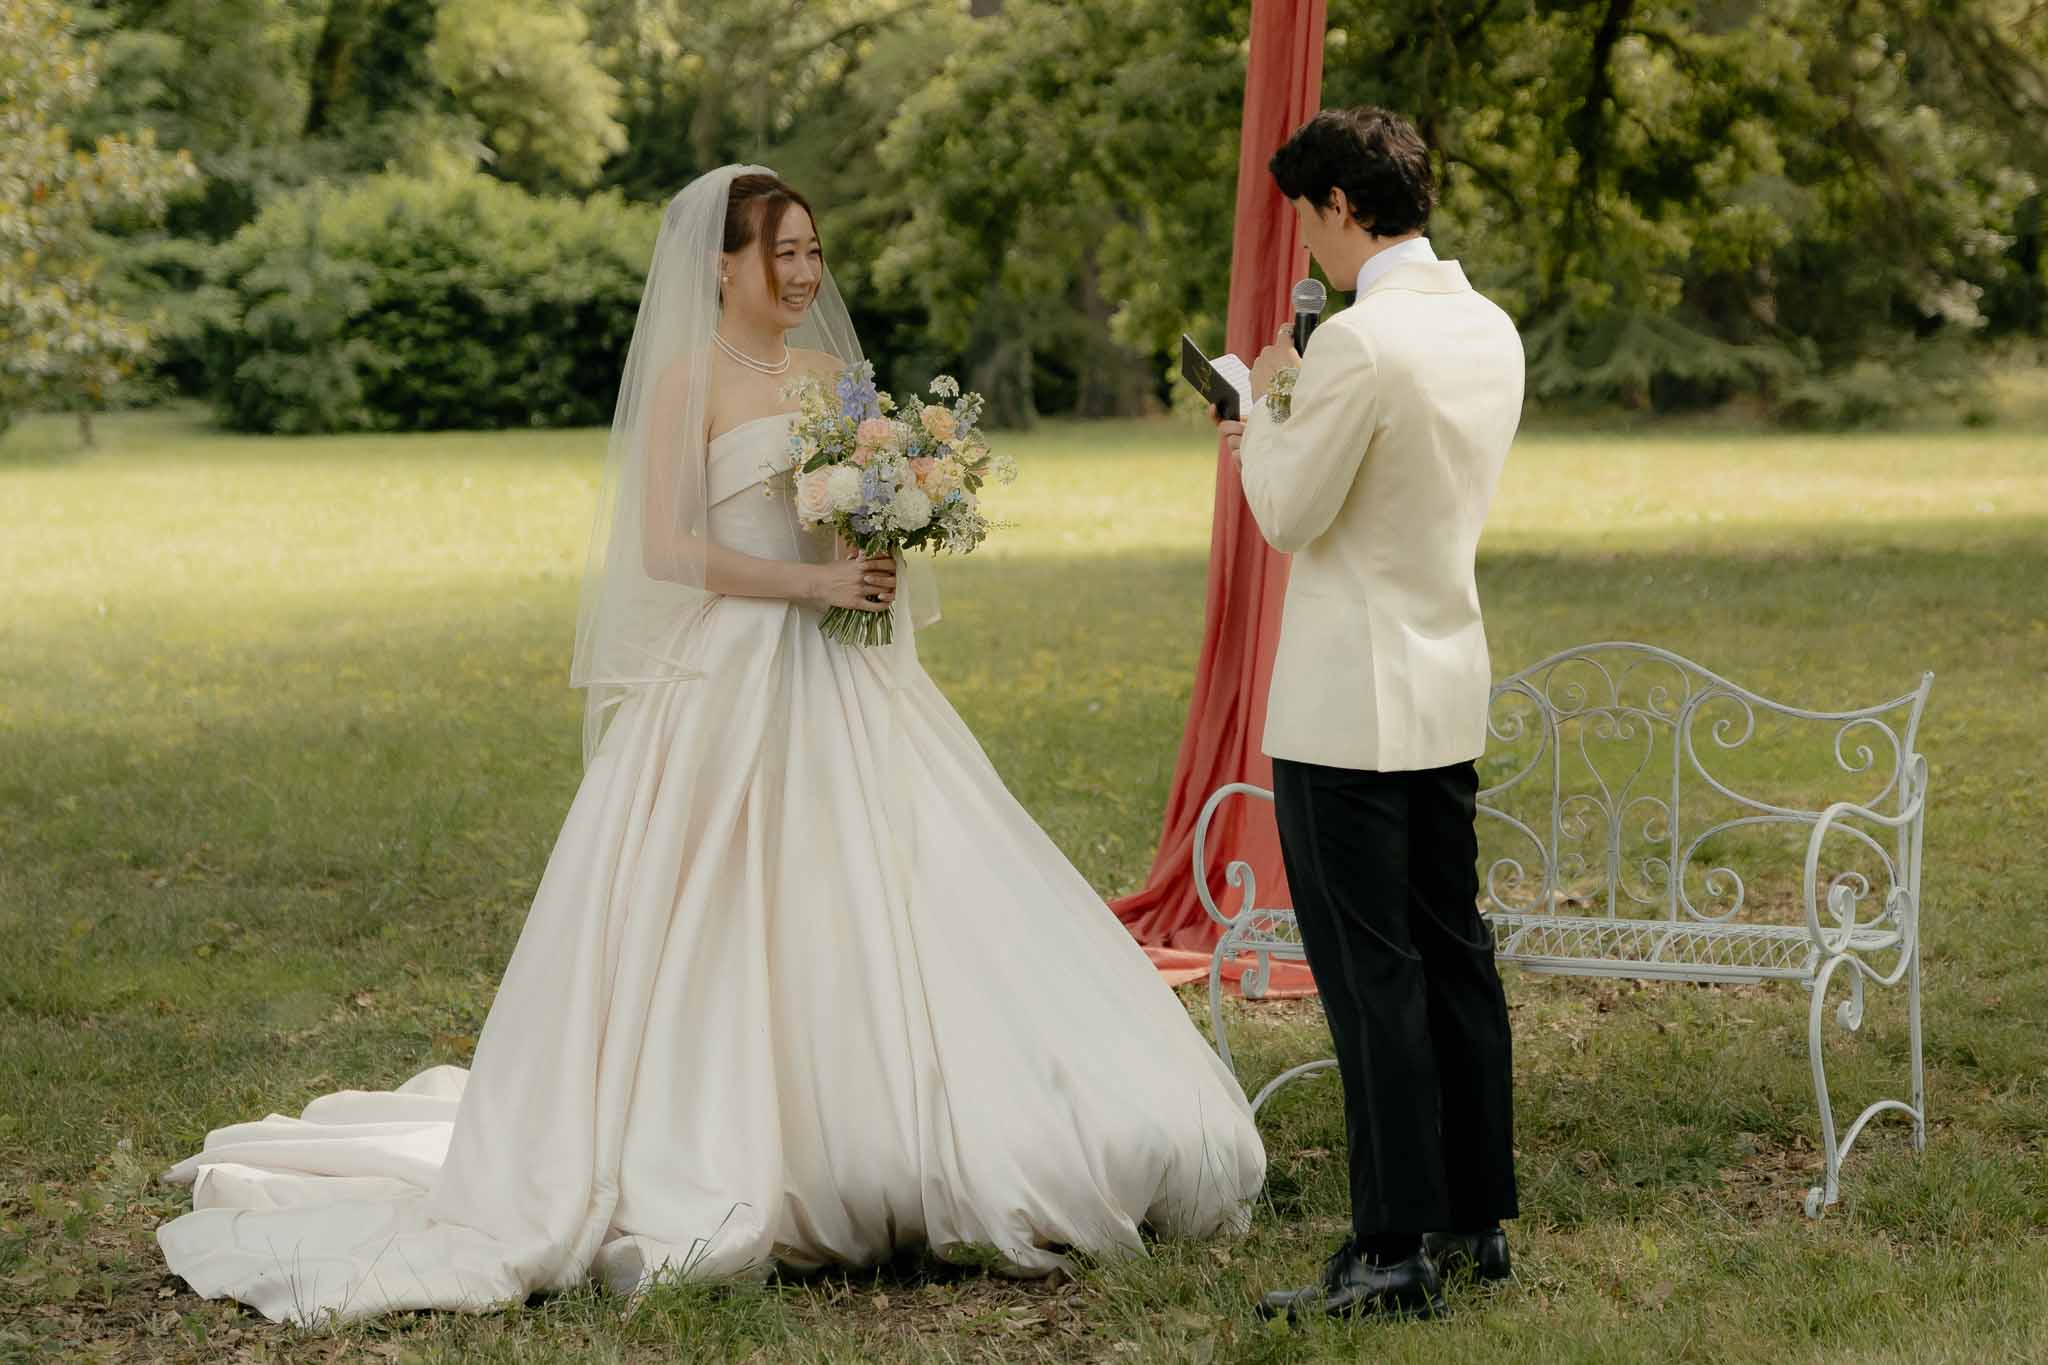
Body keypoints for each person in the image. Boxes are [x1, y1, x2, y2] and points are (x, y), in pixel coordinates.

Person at [154, 165, 1265, 1326]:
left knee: (892, 882)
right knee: (710, 908)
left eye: (811, 252)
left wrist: (883, 535)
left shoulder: (835, 379)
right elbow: (669, 549)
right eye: (778, 253)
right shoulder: (689, 382)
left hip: (836, 677)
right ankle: (718, 1135)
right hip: (727, 671)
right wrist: (810, 578)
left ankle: (908, 1115)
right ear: (723, 266)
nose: (800, 273)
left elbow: (841, 525)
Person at [1212, 108, 1526, 1321]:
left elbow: (1289, 513)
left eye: (1306, 217)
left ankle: (1390, 1247)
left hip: (1347, 705)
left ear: (1341, 205)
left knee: (1367, 978)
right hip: (1444, 681)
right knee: (1454, 955)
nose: (1306, 246)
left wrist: (1256, 409)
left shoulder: (1355, 344)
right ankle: (1473, 1219)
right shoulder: (1485, 327)